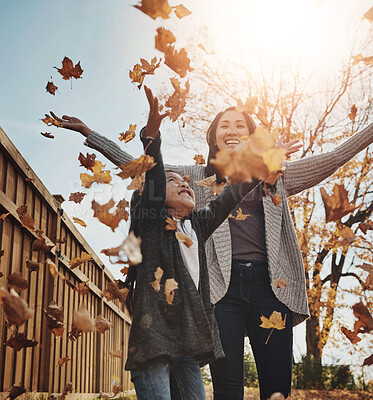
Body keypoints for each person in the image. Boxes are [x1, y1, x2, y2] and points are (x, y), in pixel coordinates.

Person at [51, 98, 373, 399]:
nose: (232, 130)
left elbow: (332, 159)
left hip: (271, 288)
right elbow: (143, 167)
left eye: (239, 125)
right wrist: (90, 134)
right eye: (224, 125)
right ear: (214, 137)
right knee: (228, 388)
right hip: (221, 291)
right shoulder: (195, 179)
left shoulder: (276, 174)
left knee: (278, 387)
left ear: (250, 135)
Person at [53, 87, 261, 400]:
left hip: (187, 345)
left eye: (187, 182)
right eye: (175, 182)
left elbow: (231, 194)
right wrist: (152, 136)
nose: (186, 185)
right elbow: (153, 179)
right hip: (154, 343)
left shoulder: (197, 225)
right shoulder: (150, 222)